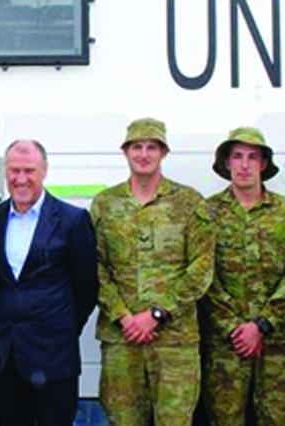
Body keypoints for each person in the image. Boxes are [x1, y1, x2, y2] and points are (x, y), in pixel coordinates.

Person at [90, 118, 214, 425]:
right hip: (122, 339)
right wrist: (123, 316)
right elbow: (94, 266)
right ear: (126, 152)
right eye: (137, 147)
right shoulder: (105, 204)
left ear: (163, 153)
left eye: (151, 147)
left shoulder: (189, 202)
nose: (143, 154)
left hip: (175, 342)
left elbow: (201, 266)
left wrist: (157, 314)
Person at [0, 139, 98, 425]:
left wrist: (60, 328)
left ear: (44, 171)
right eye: (14, 170)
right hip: (5, 357)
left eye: (29, 171)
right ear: (6, 172)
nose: (21, 179)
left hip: (54, 357)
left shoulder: (72, 220)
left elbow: (87, 287)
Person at [200, 127, 285, 426]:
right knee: (225, 418)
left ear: (263, 164)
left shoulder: (283, 212)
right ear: (226, 163)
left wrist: (263, 324)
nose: (245, 165)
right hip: (226, 343)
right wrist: (235, 327)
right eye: (237, 156)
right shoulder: (206, 212)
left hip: (277, 342)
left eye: (252, 157)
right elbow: (202, 274)